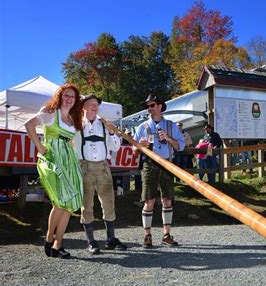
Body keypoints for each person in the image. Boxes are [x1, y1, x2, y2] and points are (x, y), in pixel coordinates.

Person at [25, 83, 84, 259]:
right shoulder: (50, 112)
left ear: (76, 100)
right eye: (66, 95)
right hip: (52, 160)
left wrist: (75, 161)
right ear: (60, 96)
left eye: (72, 96)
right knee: (59, 202)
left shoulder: (73, 119)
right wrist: (41, 147)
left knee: (68, 205)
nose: (69, 99)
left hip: (69, 161)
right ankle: (49, 237)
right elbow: (29, 125)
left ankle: (58, 244)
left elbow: (72, 142)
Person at [73, 94, 127, 254]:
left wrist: (111, 133)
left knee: (109, 203)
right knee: (86, 205)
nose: (94, 105)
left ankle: (111, 239)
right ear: (83, 106)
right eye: (90, 103)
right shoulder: (76, 125)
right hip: (84, 168)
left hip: (103, 168)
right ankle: (91, 242)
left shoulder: (104, 125)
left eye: (96, 103)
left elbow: (116, 147)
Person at [133, 95, 185, 248]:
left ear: (160, 106)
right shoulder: (142, 127)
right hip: (149, 164)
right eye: (147, 106)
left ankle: (166, 235)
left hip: (167, 164)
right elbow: (134, 151)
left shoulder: (171, 125)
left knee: (167, 200)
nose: (149, 109)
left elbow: (180, 146)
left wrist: (168, 138)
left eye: (152, 105)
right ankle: (147, 235)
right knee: (149, 201)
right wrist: (139, 146)